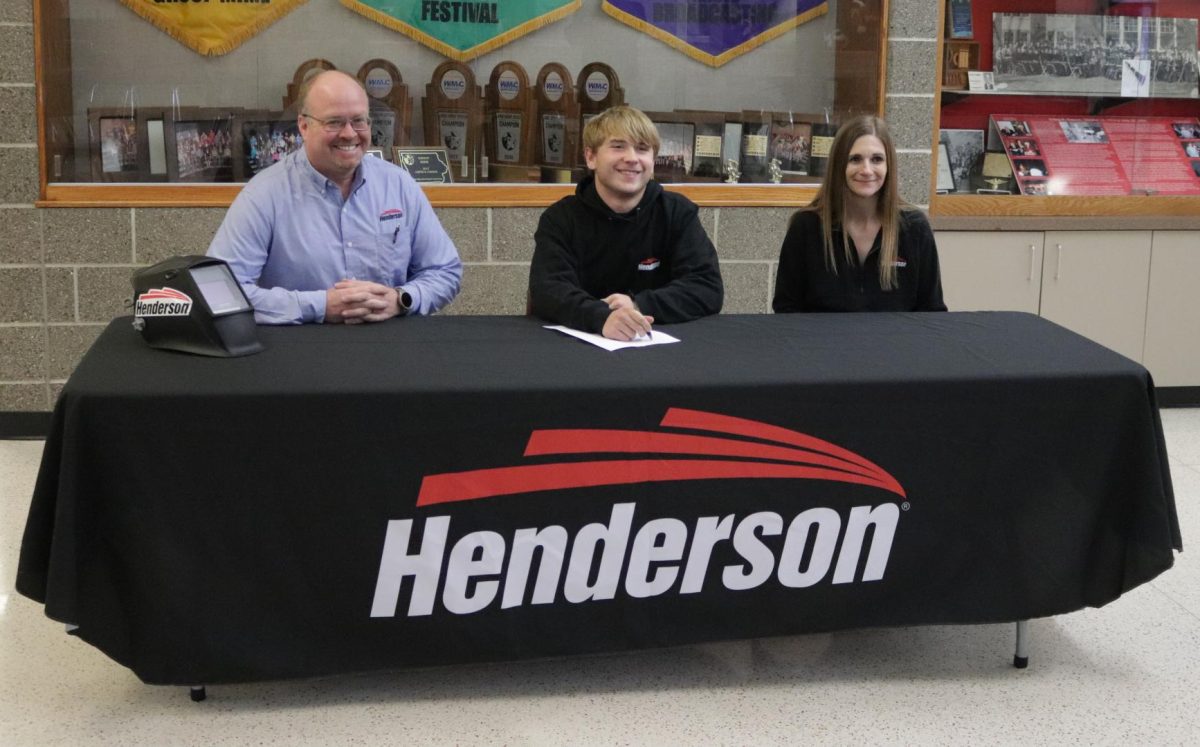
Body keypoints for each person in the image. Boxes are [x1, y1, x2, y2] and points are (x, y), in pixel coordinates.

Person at [208, 70, 462, 324]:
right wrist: (320, 306)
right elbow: (219, 292)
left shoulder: (398, 185)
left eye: (359, 121)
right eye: (334, 122)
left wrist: (400, 299)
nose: (350, 134)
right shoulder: (263, 196)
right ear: (304, 126)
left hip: (389, 351)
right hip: (297, 353)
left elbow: (444, 271)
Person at [528, 105, 723, 340]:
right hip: (577, 353)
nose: (631, 158)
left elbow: (706, 287)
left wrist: (637, 305)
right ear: (590, 157)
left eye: (642, 149)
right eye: (618, 146)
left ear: (653, 160)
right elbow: (548, 290)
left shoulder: (677, 213)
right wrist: (602, 317)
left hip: (659, 354)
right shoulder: (560, 218)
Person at [772, 115, 946, 313]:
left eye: (877, 159)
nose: (866, 170)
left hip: (894, 344)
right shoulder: (806, 227)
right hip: (823, 344)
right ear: (839, 166)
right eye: (855, 159)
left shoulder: (914, 228)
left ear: (889, 166)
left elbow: (932, 312)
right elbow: (786, 310)